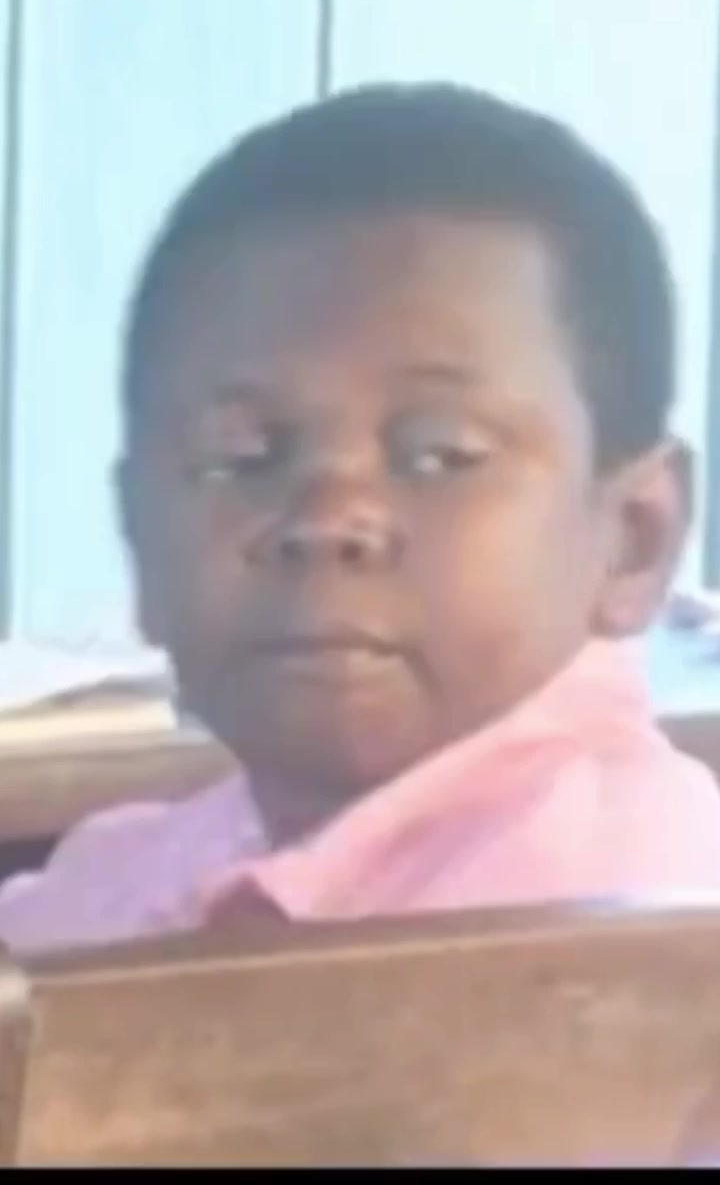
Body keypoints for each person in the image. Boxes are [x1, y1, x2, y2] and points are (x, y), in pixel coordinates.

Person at [2, 81, 720, 954]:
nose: (328, 518)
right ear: (138, 538)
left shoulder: (640, 927)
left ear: (636, 536)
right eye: (239, 457)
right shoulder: (120, 883)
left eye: (439, 455)